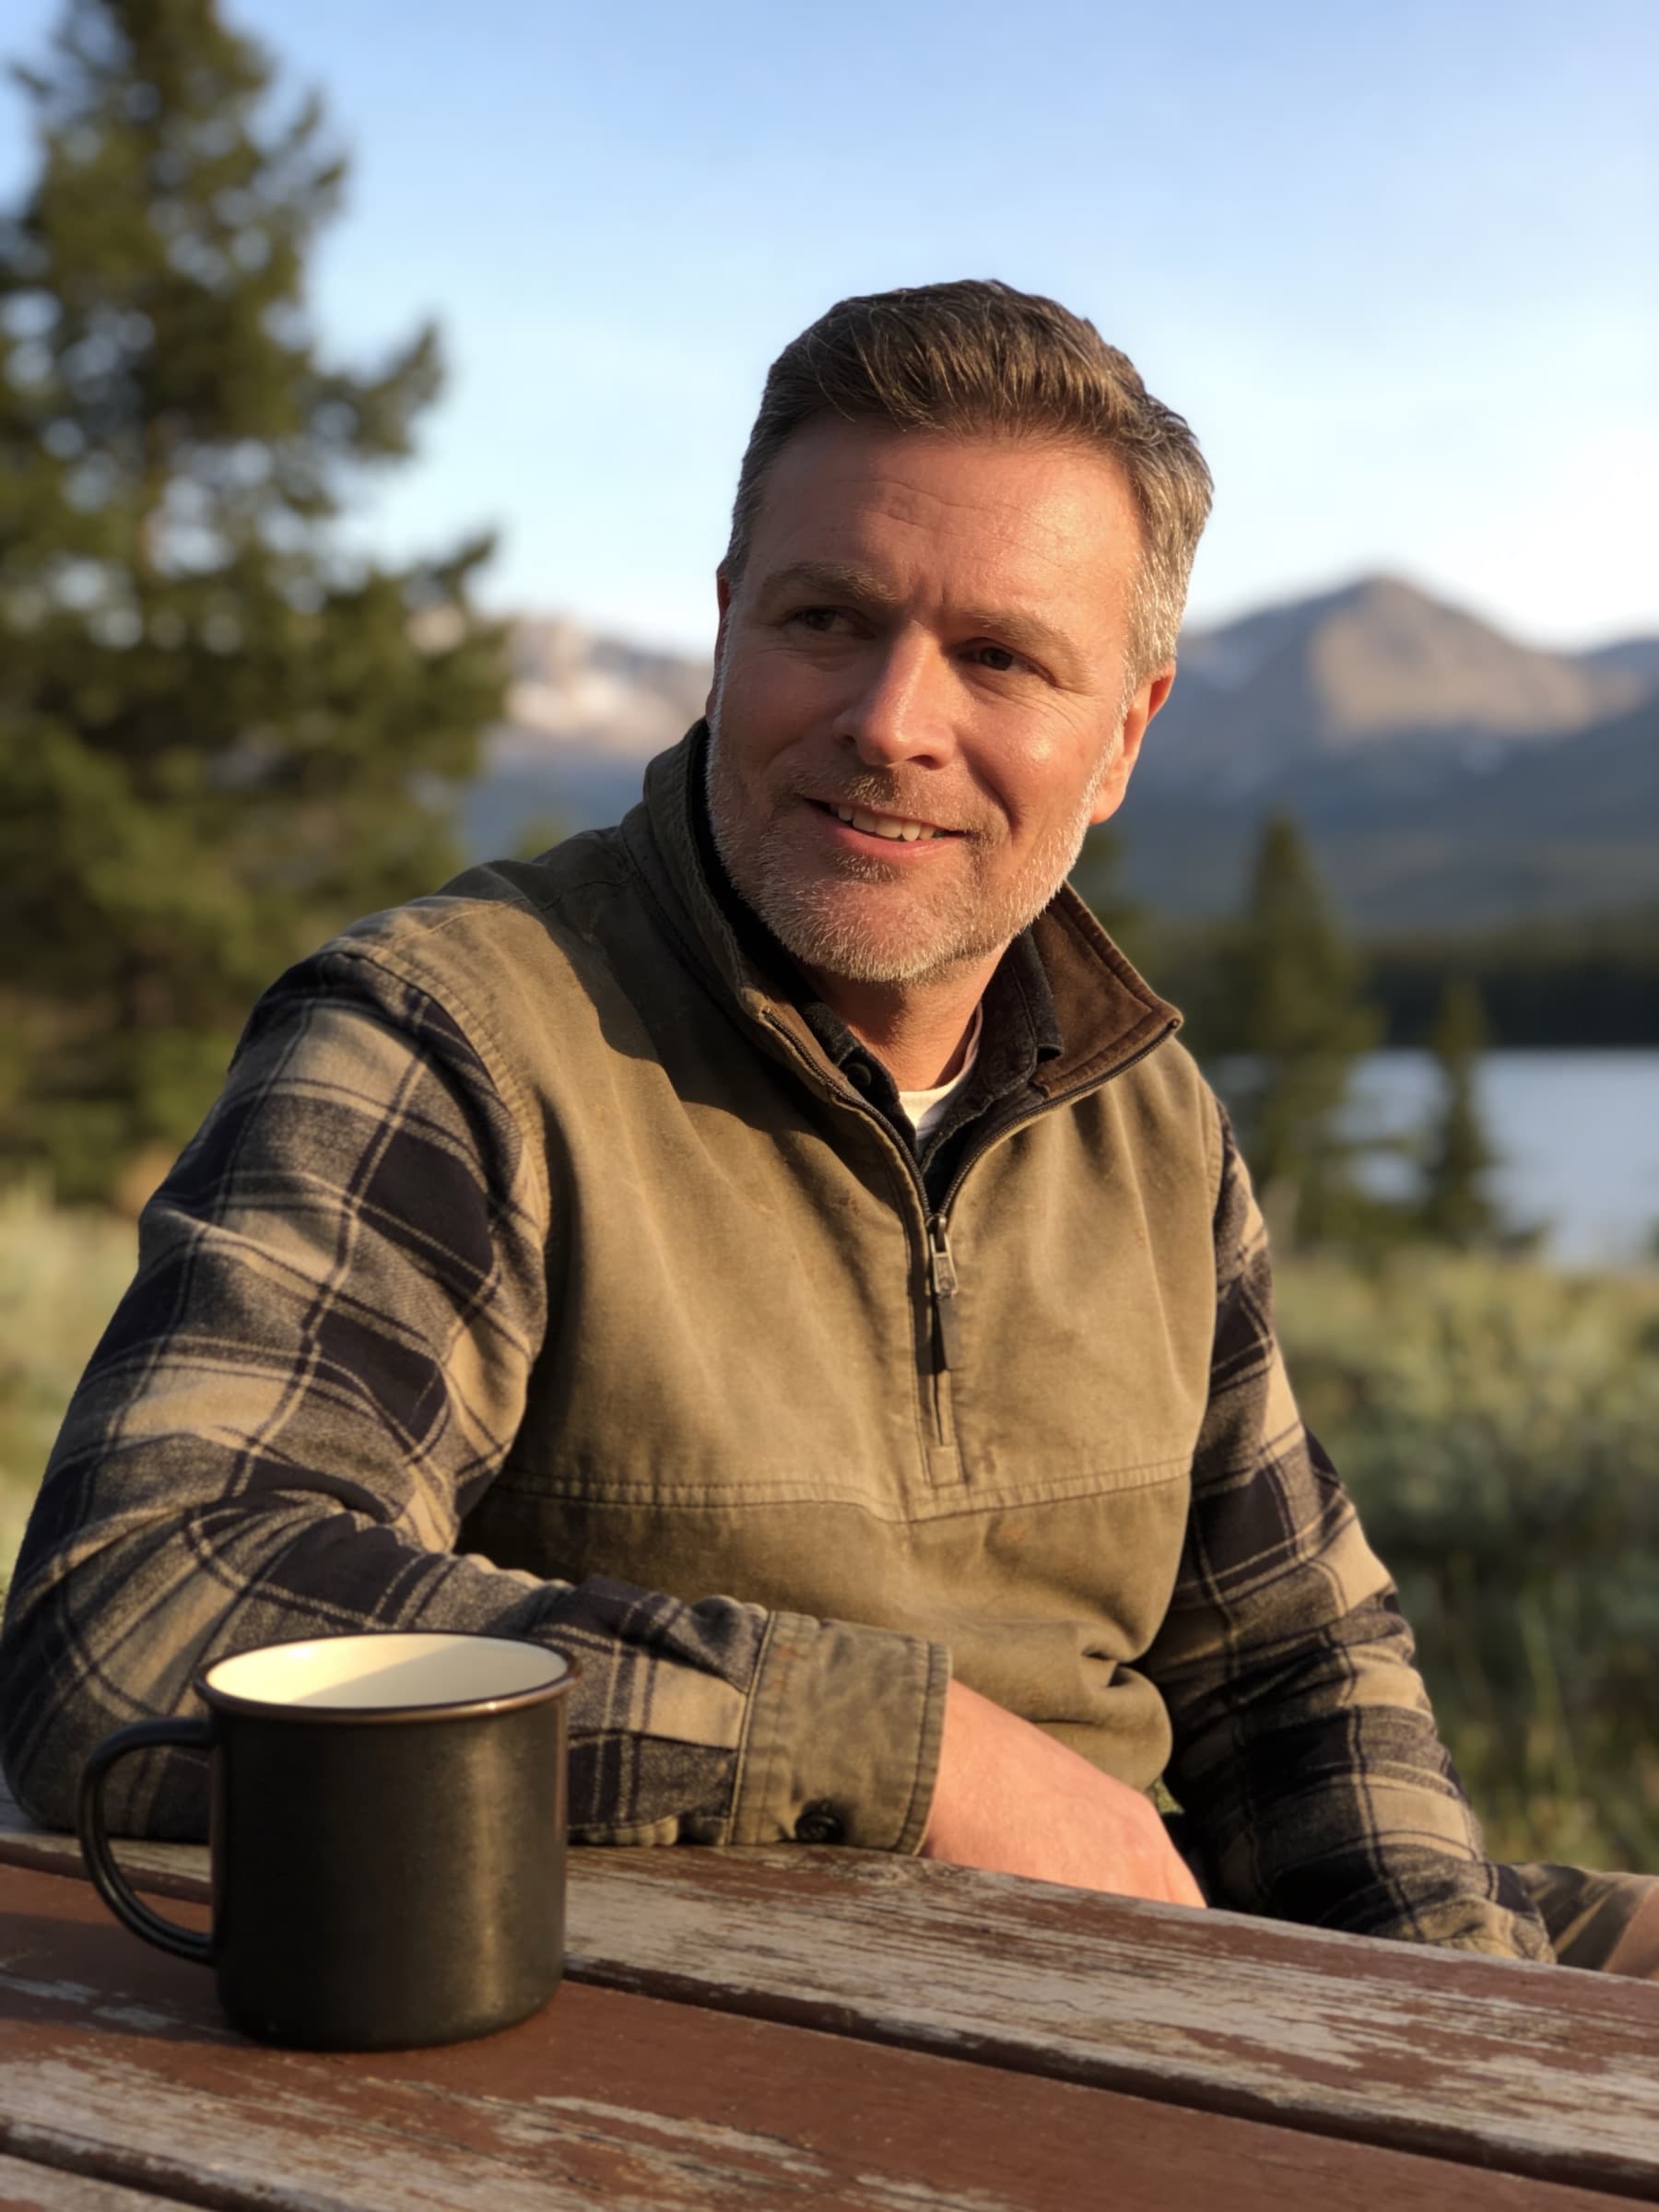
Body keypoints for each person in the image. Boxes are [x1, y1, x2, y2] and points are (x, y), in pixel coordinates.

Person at [2, 280, 1651, 1971]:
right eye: (824, 621)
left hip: (1168, 1979)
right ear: (726, 625)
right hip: (744, 2036)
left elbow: (1290, 1665)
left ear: (1123, 741)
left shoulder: (1143, 1117)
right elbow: (144, 1609)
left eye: (1000, 657)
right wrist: (904, 1755)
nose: (888, 723)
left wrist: (1452, 2003)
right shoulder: (456, 1037)